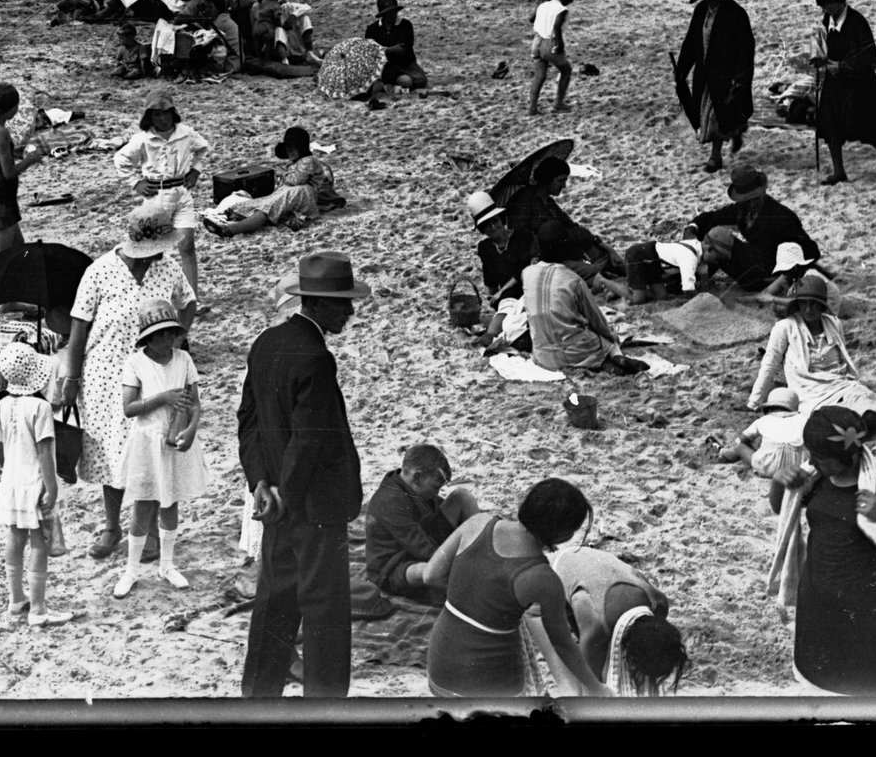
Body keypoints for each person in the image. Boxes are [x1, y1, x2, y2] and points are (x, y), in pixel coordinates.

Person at [237, 251, 368, 699]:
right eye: (342, 303)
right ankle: (326, 707)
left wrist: (260, 486)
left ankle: (258, 700)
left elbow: (249, 423)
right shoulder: (315, 358)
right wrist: (285, 493)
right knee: (325, 614)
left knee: (274, 605)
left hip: (276, 503)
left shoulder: (266, 344)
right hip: (313, 507)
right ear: (316, 303)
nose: (349, 312)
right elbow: (309, 440)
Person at [55, 200, 198, 564]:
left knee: (151, 449)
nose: (155, 257)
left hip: (153, 373)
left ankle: (148, 530)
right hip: (104, 376)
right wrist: (71, 377)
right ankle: (111, 527)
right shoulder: (100, 271)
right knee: (112, 452)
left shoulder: (167, 271)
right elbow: (79, 326)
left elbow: (189, 302)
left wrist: (176, 342)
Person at [766, 405, 876, 696]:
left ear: (845, 457)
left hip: (863, 613)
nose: (811, 461)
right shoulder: (816, 478)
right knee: (820, 690)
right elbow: (781, 508)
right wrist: (779, 481)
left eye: (820, 458)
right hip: (817, 607)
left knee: (865, 693)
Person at [423, 478, 611, 698]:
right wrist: (598, 688)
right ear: (562, 534)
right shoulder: (543, 578)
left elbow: (430, 575)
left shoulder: (478, 523)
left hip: (440, 665)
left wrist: (474, 594)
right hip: (490, 680)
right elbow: (563, 646)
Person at [113, 299, 209, 599]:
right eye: (161, 334)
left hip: (175, 437)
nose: (168, 340)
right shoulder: (136, 362)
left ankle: (167, 565)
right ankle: (131, 569)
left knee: (170, 501)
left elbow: (194, 403)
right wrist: (163, 397)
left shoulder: (183, 360)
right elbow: (130, 408)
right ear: (148, 338)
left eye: (171, 333)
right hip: (147, 440)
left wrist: (191, 430)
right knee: (144, 502)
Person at [0, 342, 74, 628]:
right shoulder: (40, 407)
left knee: (14, 540)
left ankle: (16, 601)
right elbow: (45, 453)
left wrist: (9, 470)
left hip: (11, 483)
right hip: (34, 482)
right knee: (39, 543)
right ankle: (38, 609)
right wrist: (51, 487)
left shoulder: (2, 405)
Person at [749, 271, 876, 428]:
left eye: (814, 304)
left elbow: (843, 361)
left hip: (842, 385)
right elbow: (770, 364)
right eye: (804, 303)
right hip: (811, 393)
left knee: (873, 409)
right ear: (798, 304)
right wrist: (755, 402)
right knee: (825, 421)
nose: (808, 309)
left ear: (822, 306)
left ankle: (860, 422)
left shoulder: (833, 323)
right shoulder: (785, 327)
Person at [549, 542, 689, 695]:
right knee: (576, 686)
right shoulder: (597, 626)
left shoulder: (658, 604)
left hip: (588, 561)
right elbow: (590, 688)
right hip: (547, 574)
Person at [110, 88, 210, 293]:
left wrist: (196, 170)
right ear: (149, 117)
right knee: (147, 250)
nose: (162, 118)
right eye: (156, 114)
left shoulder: (186, 134)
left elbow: (203, 148)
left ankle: (191, 297)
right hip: (156, 196)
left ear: (173, 113)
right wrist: (136, 183)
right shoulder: (143, 139)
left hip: (181, 194)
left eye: (166, 113)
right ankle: (139, 292)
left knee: (187, 246)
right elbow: (121, 159)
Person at [812, 0, 876, 186]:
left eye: (828, 4)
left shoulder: (857, 22)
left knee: (859, 126)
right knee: (831, 126)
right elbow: (824, 42)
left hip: (858, 83)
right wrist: (819, 56)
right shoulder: (828, 18)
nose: (826, 9)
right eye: (822, 6)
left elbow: (868, 55)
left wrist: (843, 66)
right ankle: (839, 171)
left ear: (839, 0)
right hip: (834, 82)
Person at [363, 443, 480, 603]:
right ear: (417, 477)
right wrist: (457, 565)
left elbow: (437, 511)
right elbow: (423, 548)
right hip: (395, 566)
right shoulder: (390, 501)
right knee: (427, 571)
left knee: (461, 497)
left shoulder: (412, 486)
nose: (436, 493)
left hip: (424, 537)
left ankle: (482, 553)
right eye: (435, 487)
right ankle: (468, 590)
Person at [682, 164, 820, 290]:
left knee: (717, 241)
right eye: (746, 200)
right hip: (750, 258)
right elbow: (712, 217)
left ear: (762, 194)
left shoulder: (781, 216)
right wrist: (691, 228)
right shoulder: (743, 208)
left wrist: (784, 275)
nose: (750, 203)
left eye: (754, 199)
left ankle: (694, 278)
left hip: (766, 272)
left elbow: (811, 250)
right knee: (710, 236)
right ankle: (689, 275)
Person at [674, 0, 755, 173]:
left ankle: (715, 156)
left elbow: (746, 48)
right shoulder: (701, 11)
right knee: (712, 113)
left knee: (716, 114)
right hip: (705, 72)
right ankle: (735, 132)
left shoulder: (734, 13)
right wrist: (682, 69)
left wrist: (741, 76)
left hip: (726, 73)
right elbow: (691, 42)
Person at [200, 126, 339, 237]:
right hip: (293, 193)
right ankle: (228, 217)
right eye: (287, 149)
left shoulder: (309, 161)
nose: (289, 151)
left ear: (300, 147)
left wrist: (282, 174)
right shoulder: (297, 163)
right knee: (263, 204)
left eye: (292, 148)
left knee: (268, 208)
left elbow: (297, 180)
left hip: (303, 192)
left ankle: (230, 230)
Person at [523, 248, 642, 375]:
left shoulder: (527, 273)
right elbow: (595, 318)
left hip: (543, 356)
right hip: (575, 352)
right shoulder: (572, 278)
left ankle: (607, 362)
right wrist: (611, 336)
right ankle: (613, 357)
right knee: (605, 338)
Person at [0, 83, 46, 264]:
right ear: (13, 108)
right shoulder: (0, 132)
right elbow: (9, 173)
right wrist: (31, 159)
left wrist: (13, 152)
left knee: (19, 250)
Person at [465, 190, 524, 302]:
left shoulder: (520, 237)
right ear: (482, 229)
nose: (493, 227)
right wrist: (491, 300)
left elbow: (524, 272)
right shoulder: (486, 248)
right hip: (507, 300)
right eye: (487, 225)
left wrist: (501, 292)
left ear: (501, 219)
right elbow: (490, 280)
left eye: (495, 221)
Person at [527, 0, 574, 116]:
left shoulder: (542, 5)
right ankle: (559, 103)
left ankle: (532, 108)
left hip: (536, 41)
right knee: (566, 71)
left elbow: (531, 19)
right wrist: (560, 45)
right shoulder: (562, 10)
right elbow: (557, 27)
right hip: (549, 42)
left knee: (539, 76)